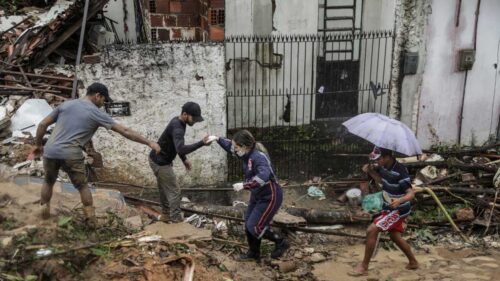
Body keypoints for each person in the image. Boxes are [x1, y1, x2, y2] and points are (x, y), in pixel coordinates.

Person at [33, 82, 161, 227]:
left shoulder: (66, 105)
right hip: (70, 152)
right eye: (104, 100)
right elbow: (125, 131)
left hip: (50, 151)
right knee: (82, 186)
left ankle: (43, 217)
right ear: (97, 96)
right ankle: (91, 222)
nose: (103, 104)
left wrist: (38, 145)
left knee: (48, 182)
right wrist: (149, 142)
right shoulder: (95, 112)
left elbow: (42, 125)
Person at [215, 130, 289, 260]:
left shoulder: (258, 157)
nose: (234, 150)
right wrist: (216, 138)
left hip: (270, 196)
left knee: (255, 226)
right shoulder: (244, 153)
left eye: (237, 147)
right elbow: (229, 146)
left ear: (245, 146)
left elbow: (263, 176)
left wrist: (244, 185)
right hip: (257, 195)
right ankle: (253, 253)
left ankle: (281, 241)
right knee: (248, 222)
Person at [350, 146, 419, 276]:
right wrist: (370, 171)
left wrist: (400, 200)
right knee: (394, 236)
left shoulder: (400, 170)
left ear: (387, 157)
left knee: (372, 230)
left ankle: (364, 266)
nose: (378, 162)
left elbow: (411, 194)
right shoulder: (384, 167)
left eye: (379, 159)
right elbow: (382, 181)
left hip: (398, 210)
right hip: (389, 207)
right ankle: (413, 262)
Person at [149, 102, 212, 223]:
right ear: (184, 114)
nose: (195, 122)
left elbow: (176, 145)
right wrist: (202, 143)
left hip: (157, 159)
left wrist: (184, 159)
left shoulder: (179, 122)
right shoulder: (178, 127)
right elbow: (181, 148)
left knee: (164, 188)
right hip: (160, 163)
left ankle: (166, 215)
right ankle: (176, 220)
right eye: (194, 118)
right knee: (174, 191)